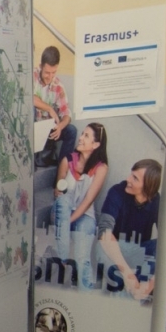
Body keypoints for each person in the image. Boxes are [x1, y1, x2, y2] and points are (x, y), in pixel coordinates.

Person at [51, 121, 107, 289]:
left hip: (84, 214)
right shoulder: (67, 161)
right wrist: (58, 189)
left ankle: (85, 294)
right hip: (63, 210)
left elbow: (88, 200)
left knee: (83, 257)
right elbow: (59, 192)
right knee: (62, 201)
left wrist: (70, 220)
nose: (80, 138)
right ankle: (63, 258)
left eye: (86, 136)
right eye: (82, 134)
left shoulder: (101, 168)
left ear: (96, 144)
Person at [97, 158, 163, 301]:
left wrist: (148, 287)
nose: (128, 179)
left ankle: (135, 292)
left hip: (136, 250)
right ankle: (126, 291)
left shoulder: (157, 201)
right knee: (103, 246)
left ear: (148, 188)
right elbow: (104, 233)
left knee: (162, 244)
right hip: (112, 250)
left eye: (135, 178)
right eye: (131, 174)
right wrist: (128, 275)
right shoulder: (116, 192)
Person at [33, 45, 74, 167]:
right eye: (47, 72)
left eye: (53, 72)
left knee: (71, 131)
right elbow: (28, 97)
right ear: (40, 66)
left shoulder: (58, 85)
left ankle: (61, 174)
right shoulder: (31, 75)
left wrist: (60, 126)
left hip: (48, 130)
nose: (50, 77)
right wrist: (49, 108)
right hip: (31, 128)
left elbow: (66, 113)